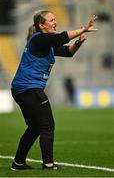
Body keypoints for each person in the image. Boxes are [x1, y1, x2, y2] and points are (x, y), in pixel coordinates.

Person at [11, 10, 97, 170]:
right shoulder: (38, 39)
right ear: (41, 25)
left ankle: (18, 162)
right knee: (47, 125)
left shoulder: (46, 44)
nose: (55, 22)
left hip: (22, 89)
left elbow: (67, 52)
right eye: (51, 20)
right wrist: (84, 28)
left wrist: (78, 43)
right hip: (29, 88)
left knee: (36, 127)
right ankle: (48, 164)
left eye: (55, 19)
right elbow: (60, 38)